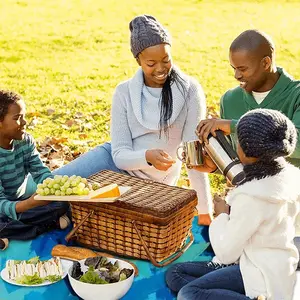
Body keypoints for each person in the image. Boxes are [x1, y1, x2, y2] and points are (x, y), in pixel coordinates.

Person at [53, 15, 213, 225]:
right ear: (138, 60)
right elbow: (119, 155)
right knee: (49, 188)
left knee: (82, 210)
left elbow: (193, 157)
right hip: (112, 163)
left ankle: (66, 216)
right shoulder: (124, 92)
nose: (160, 69)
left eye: (166, 60)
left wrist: (205, 212)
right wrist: (147, 156)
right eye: (151, 63)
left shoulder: (190, 90)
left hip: (150, 186)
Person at [166, 108, 300, 300]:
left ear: (245, 150)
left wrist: (222, 215)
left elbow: (226, 252)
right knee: (175, 274)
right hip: (272, 264)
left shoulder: (252, 197)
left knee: (188, 293)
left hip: (259, 274)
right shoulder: (290, 177)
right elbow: (260, 195)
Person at [195, 29, 300, 265]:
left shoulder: (296, 94)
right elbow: (242, 159)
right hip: (248, 202)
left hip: (289, 206)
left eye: (242, 69)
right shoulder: (230, 100)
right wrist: (215, 165)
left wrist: (233, 126)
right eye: (233, 68)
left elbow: (298, 143)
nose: (236, 75)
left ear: (266, 63)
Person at [0, 90, 70, 249]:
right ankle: (42, 226)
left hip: (20, 201)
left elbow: (40, 171)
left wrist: (55, 189)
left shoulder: (25, 141)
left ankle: (10, 231)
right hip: (6, 206)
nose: (24, 122)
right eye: (17, 118)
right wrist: (29, 204)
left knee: (62, 204)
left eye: (23, 116)